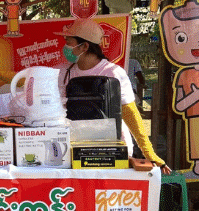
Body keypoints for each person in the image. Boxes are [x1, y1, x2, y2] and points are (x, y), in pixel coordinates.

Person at [56, 18, 171, 174]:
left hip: (114, 151)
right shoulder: (63, 72)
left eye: (69, 42)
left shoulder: (113, 73)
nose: (65, 47)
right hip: (76, 151)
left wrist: (148, 152)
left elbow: (130, 114)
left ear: (84, 46)